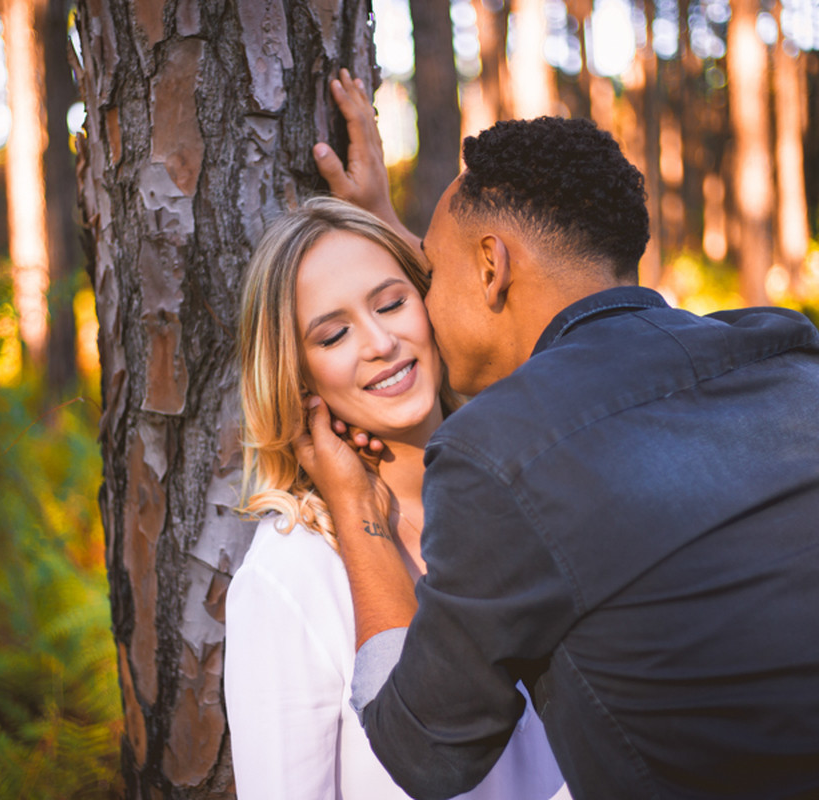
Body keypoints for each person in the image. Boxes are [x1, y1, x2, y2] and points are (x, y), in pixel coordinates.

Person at [293, 71, 819, 798]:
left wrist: (358, 513)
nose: (420, 306)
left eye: (427, 270)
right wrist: (386, 237)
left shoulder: (496, 453)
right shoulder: (784, 359)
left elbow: (424, 753)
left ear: (490, 266)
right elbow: (606, 329)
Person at [223, 195, 570, 800]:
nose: (381, 342)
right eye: (333, 335)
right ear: (297, 377)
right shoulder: (288, 578)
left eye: (392, 302)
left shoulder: (539, 497)